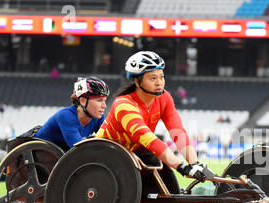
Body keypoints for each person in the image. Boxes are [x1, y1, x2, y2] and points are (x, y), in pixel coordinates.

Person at [95, 51, 213, 182]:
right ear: (137, 82)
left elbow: (177, 132)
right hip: (104, 156)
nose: (159, 83)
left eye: (161, 77)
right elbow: (147, 138)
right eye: (152, 78)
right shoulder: (123, 104)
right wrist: (182, 167)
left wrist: (195, 164)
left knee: (166, 178)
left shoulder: (164, 98)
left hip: (132, 154)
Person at [34, 76, 109, 151]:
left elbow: (106, 143)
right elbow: (80, 150)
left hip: (56, 155)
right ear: (82, 101)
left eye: (105, 100)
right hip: (35, 154)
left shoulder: (98, 117)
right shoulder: (66, 116)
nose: (104, 106)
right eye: (99, 100)